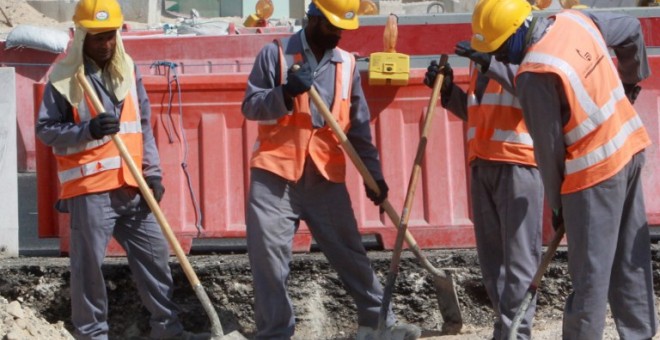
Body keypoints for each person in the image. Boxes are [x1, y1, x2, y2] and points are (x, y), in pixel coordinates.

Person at [469, 0, 657, 338]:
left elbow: (549, 150)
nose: (499, 58)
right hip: (628, 148)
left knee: (589, 281)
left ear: (518, 32)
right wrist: (630, 83)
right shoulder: (576, 20)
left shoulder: (534, 73)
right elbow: (631, 29)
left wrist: (558, 206)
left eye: (499, 49)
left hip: (593, 175)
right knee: (630, 260)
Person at [241, 1, 422, 339]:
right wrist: (284, 93)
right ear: (312, 19)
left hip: (324, 174)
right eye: (332, 27)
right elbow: (251, 107)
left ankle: (378, 321)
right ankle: (275, 332)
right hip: (275, 174)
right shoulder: (276, 54)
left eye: (343, 28)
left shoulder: (348, 64)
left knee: (349, 250)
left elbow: (358, 128)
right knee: (268, 260)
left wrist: (374, 174)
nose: (338, 34)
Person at [35, 1, 209, 339]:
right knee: (88, 271)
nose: (106, 44)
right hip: (90, 189)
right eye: (98, 37)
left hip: (133, 186)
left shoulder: (127, 70)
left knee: (156, 259)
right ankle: (92, 334)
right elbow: (46, 131)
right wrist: (88, 130)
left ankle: (167, 330)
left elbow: (142, 125)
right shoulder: (64, 79)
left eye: (111, 36)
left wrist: (153, 172)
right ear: (82, 35)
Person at [424, 43, 544, 339]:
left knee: (519, 262)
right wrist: (449, 91)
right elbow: (480, 112)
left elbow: (532, 91)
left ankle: (517, 333)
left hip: (518, 162)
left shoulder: (532, 53)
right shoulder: (481, 58)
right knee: (493, 264)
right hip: (482, 163)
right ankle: (505, 330)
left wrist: (491, 64)